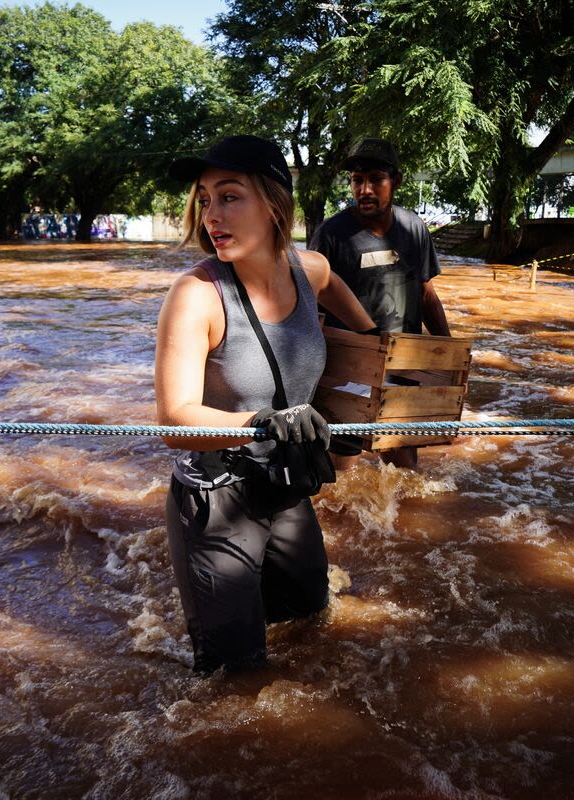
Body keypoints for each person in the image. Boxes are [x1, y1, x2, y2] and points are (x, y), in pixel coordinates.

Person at [155, 135, 376, 674]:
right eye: (206, 199)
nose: (212, 215)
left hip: (287, 487)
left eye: (230, 196)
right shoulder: (196, 294)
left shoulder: (313, 271)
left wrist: (370, 397)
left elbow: (373, 340)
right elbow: (175, 417)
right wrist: (259, 422)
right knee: (234, 674)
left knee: (310, 620)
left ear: (276, 204)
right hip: (215, 501)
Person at [310, 137, 451, 470]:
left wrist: (448, 358)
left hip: (404, 364)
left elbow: (426, 293)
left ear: (397, 181)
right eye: (358, 181)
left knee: (404, 471)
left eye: (375, 179)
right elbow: (311, 311)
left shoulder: (414, 229)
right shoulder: (331, 235)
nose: (365, 189)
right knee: (341, 476)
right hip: (348, 370)